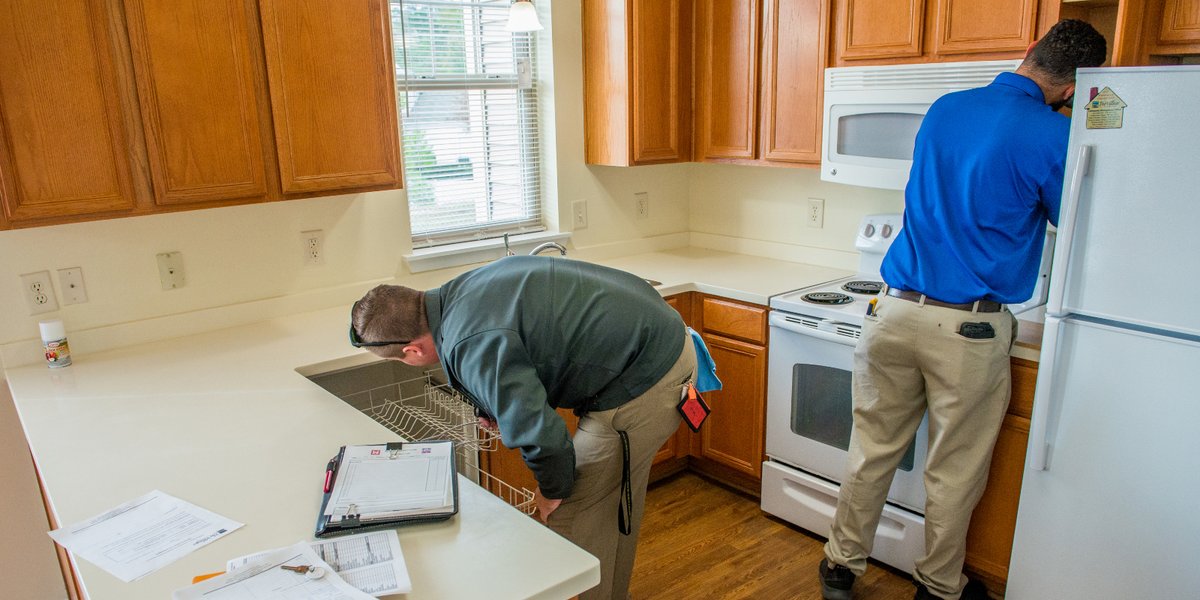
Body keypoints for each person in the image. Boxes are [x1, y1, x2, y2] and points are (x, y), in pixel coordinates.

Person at [818, 19, 1107, 600]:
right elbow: (1071, 220)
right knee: (953, 470)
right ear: (1074, 87)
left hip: (893, 310)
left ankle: (840, 566)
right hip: (969, 328)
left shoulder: (946, 108)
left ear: (1030, 51)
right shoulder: (1053, 136)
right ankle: (939, 586)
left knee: (870, 451)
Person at [350, 255, 699, 600]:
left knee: (571, 512)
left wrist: (550, 492)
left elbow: (544, 438)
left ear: (412, 351)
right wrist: (490, 402)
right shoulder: (458, 292)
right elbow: (527, 343)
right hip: (662, 342)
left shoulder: (470, 343)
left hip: (649, 378)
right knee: (609, 504)